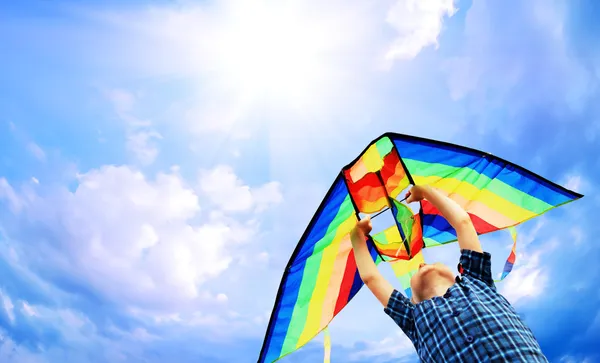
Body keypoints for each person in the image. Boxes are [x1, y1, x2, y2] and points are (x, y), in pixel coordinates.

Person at [350, 185, 548, 362]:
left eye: (429, 262)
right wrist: (356, 236)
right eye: (419, 268)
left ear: (457, 274)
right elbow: (370, 277)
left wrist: (425, 191)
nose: (422, 264)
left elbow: (462, 222)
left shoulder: (475, 280)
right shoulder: (412, 318)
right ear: (413, 300)